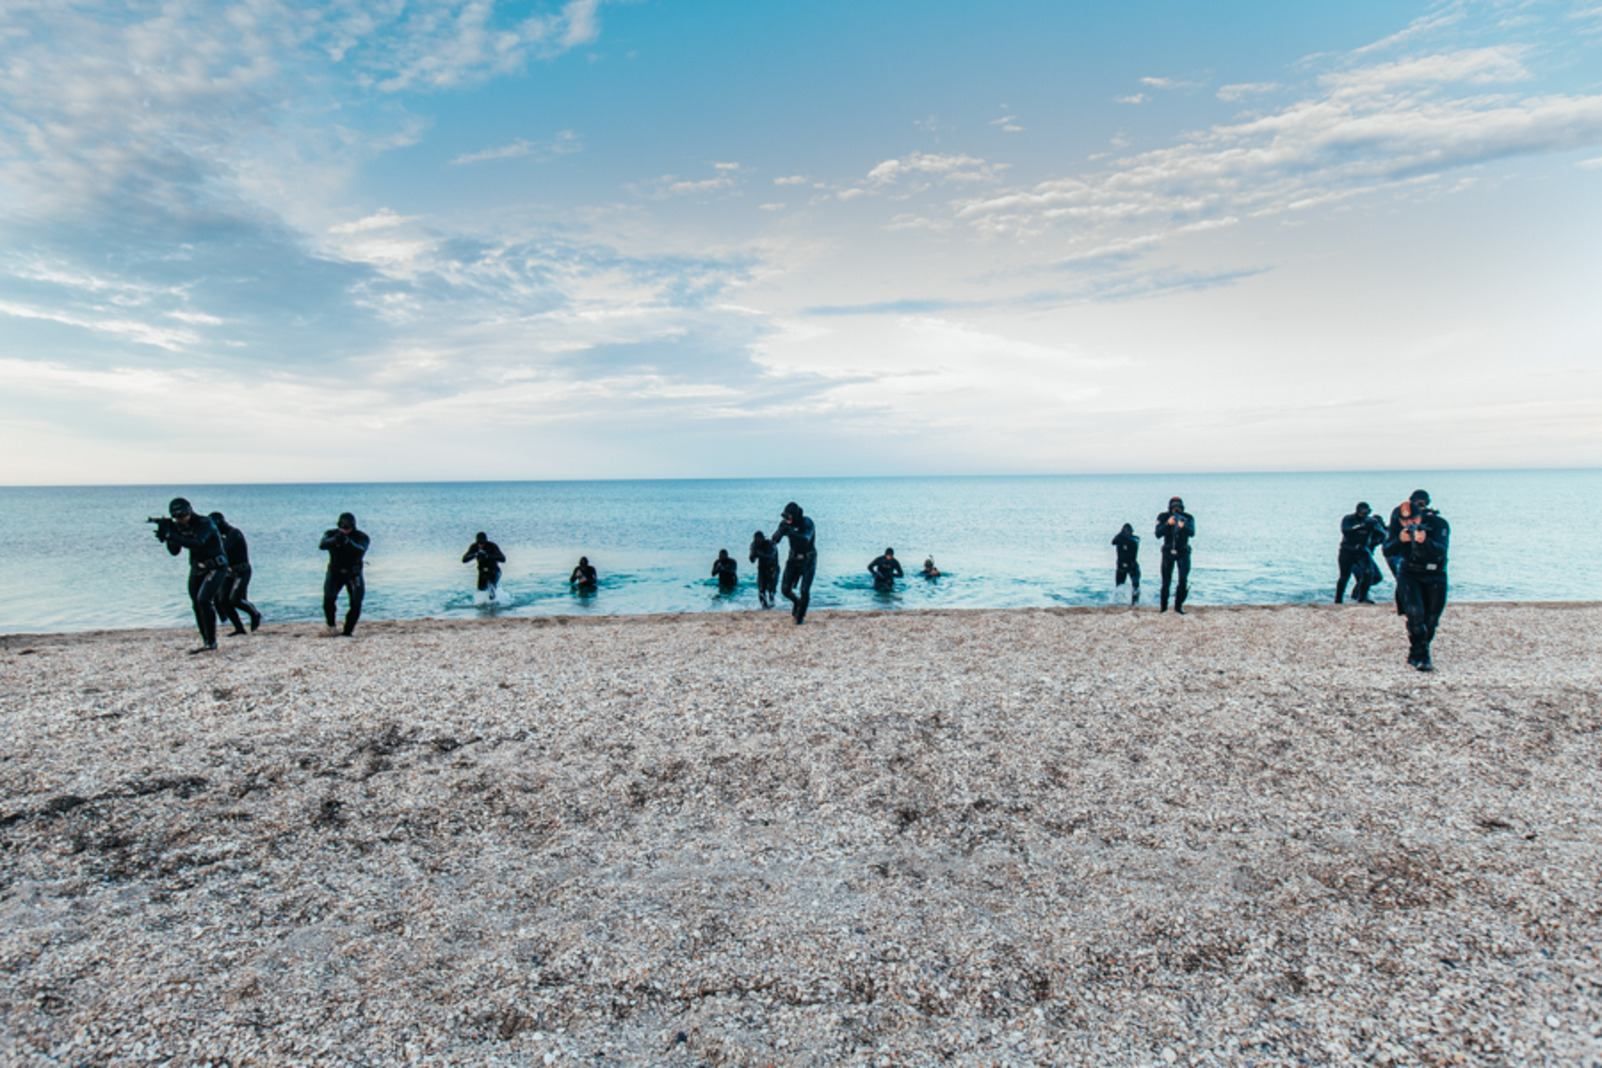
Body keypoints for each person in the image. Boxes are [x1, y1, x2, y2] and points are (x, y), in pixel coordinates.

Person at [152, 497, 229, 653]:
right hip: (197, 568)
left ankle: (212, 642)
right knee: (196, 604)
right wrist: (168, 533)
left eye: (182, 516)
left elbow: (197, 542)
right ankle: (206, 641)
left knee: (204, 600)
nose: (180, 520)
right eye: (176, 517)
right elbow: (174, 551)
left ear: (190, 511)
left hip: (216, 566)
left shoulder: (205, 523)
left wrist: (171, 535)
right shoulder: (178, 526)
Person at [1385, 489, 1450, 671]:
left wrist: (1425, 541)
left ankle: (1417, 650)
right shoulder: (1398, 525)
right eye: (1405, 520)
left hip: (1435, 574)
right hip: (1410, 572)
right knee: (1415, 614)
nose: (1409, 523)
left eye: (1413, 519)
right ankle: (1422, 656)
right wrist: (1400, 540)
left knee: (1431, 620)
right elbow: (1388, 550)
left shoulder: (1438, 524)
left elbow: (1441, 550)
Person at [209, 512, 263, 635]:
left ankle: (255, 614)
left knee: (235, 599)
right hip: (229, 572)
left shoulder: (234, 533)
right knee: (223, 600)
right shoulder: (223, 536)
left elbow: (222, 549)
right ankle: (239, 628)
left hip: (242, 571)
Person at [319, 512, 370, 637]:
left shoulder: (361, 536)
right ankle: (331, 625)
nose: (345, 530)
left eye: (347, 527)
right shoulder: (331, 534)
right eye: (342, 527)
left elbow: (361, 550)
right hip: (335, 572)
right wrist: (336, 539)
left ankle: (348, 631)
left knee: (356, 602)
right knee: (328, 599)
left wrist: (347, 542)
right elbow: (322, 545)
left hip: (353, 573)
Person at [771, 501, 818, 623]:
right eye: (785, 516)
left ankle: (800, 616)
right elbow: (775, 538)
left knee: (804, 590)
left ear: (796, 515)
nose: (786, 519)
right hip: (793, 559)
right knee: (785, 590)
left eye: (789, 516)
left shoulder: (807, 522)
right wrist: (779, 534)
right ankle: (797, 602)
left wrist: (790, 532)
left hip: (809, 559)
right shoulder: (785, 524)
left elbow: (806, 539)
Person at [1335, 502, 1385, 604]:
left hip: (1362, 550)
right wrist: (1361, 526)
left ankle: (1362, 597)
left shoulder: (1371, 521)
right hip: (1347, 549)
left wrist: (1374, 540)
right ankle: (1338, 599)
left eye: (1365, 512)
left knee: (1369, 573)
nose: (1363, 514)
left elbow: (1382, 534)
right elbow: (1346, 530)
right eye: (1361, 511)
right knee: (1344, 575)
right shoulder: (1349, 519)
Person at [1155, 496, 1195, 614]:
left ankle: (1178, 607)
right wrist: (1168, 524)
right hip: (1168, 551)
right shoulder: (1162, 517)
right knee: (1166, 581)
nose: (1176, 510)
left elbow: (1192, 532)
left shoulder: (1188, 517)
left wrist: (1184, 526)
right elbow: (1157, 533)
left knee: (1183, 579)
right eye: (1174, 508)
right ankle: (1163, 608)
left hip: (1183, 551)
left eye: (1179, 508)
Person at [462, 531, 506, 603]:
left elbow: (503, 559)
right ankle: (483, 606)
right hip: (482, 572)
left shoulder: (492, 546)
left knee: (491, 589)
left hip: (494, 571)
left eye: (482, 543)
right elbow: (464, 560)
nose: (481, 545)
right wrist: (475, 554)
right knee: (481, 590)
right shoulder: (474, 547)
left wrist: (488, 556)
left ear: (486, 541)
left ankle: (494, 605)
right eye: (479, 543)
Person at [1112, 523, 1141, 606]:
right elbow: (1113, 542)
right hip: (1122, 565)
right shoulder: (1119, 539)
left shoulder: (1134, 539)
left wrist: (1123, 537)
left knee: (1135, 585)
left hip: (1132, 565)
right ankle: (1117, 601)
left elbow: (1136, 541)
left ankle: (1135, 602)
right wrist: (1121, 536)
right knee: (1119, 586)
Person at [749, 530, 780, 608]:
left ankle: (772, 605)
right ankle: (764, 607)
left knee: (771, 590)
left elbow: (770, 556)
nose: (757, 542)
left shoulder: (770, 544)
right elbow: (752, 560)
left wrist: (759, 553)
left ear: (763, 538)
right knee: (761, 590)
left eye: (759, 540)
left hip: (773, 568)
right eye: (756, 540)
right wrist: (753, 553)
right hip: (762, 569)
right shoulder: (754, 545)